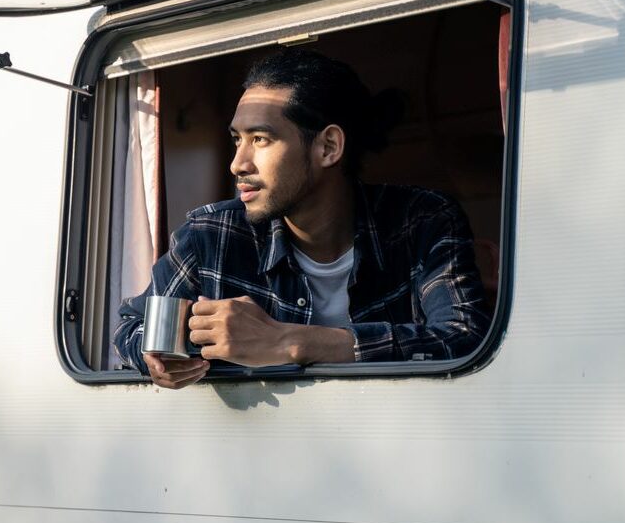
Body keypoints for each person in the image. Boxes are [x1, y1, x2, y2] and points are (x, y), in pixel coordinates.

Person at [112, 49, 491, 389]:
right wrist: (157, 356)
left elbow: (462, 338)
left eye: (260, 139)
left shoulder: (422, 223)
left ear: (328, 147)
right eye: (236, 140)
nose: (238, 164)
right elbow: (130, 327)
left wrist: (287, 342)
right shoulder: (210, 235)